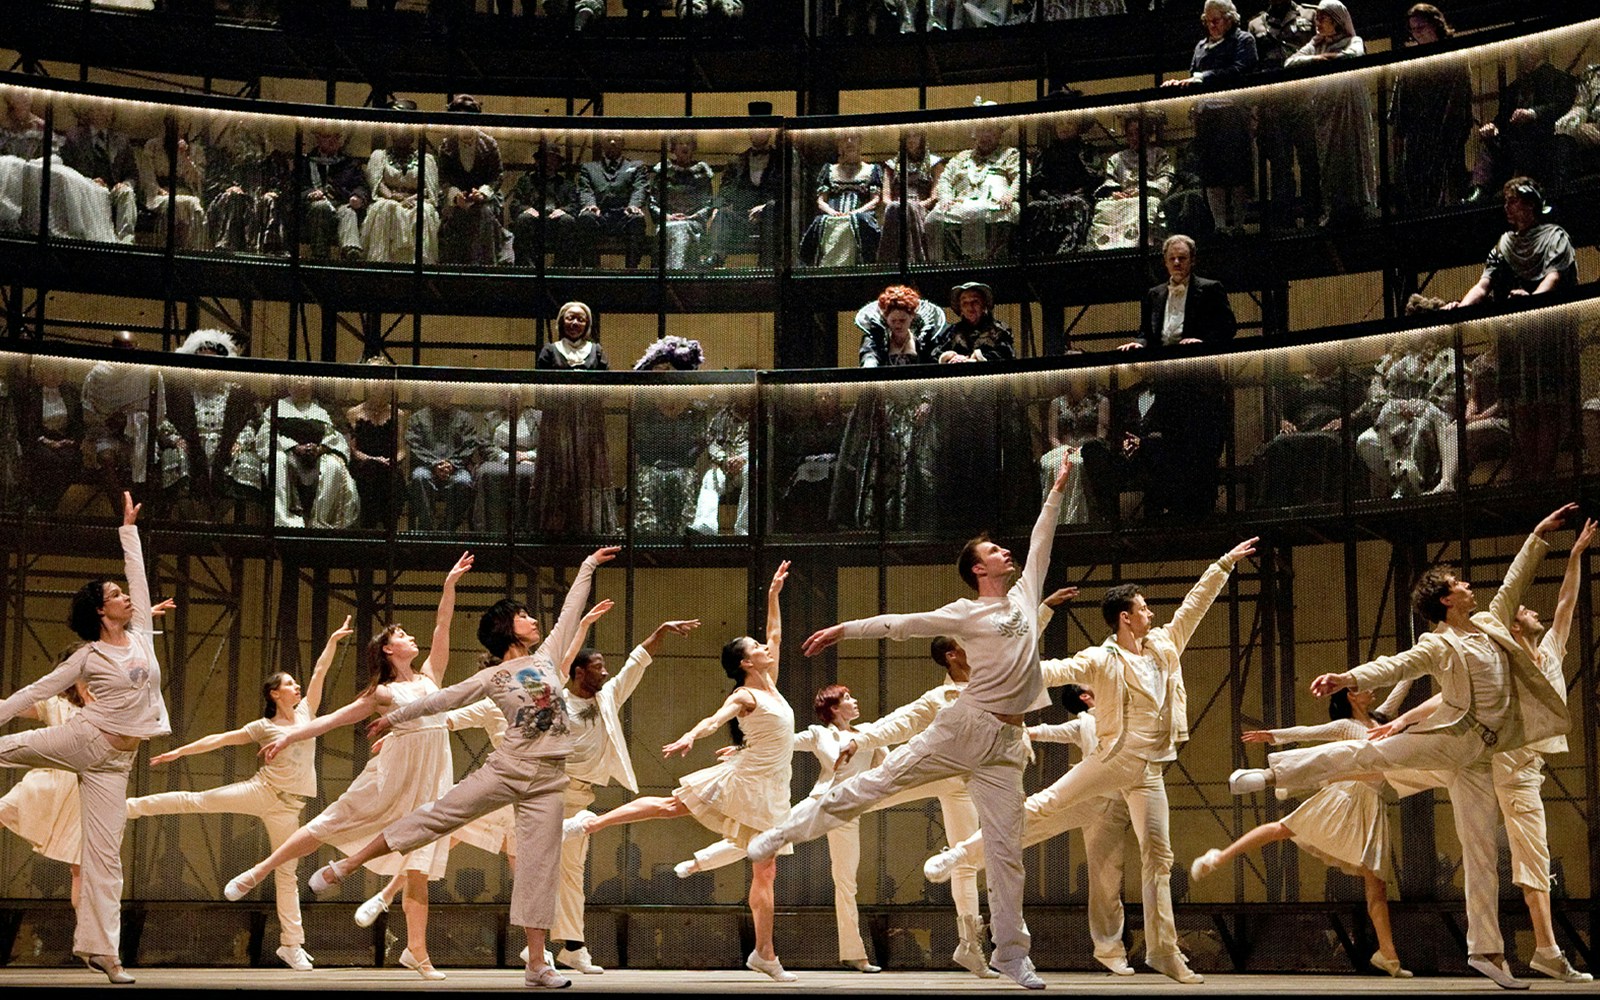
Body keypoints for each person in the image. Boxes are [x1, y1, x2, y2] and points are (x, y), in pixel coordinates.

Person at [745, 463, 1075, 990]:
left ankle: (1011, 955)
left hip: (1007, 744)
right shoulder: (967, 613)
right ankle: (777, 835)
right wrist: (843, 630)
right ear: (977, 570)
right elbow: (903, 624)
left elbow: (1042, 541)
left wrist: (1057, 490)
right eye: (993, 552)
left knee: (1006, 852)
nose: (1004, 553)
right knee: (874, 784)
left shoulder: (1025, 597)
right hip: (964, 727)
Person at [1225, 505, 1577, 990]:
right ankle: (1270, 775)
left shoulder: (1494, 624)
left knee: (1479, 851)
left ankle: (1487, 951)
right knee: (1364, 753)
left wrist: (1538, 533)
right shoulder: (1438, 644)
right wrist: (1346, 677)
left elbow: (1516, 579)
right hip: (1452, 739)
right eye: (1459, 583)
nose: (1470, 586)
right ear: (1446, 600)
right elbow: (1395, 666)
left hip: (1483, 754)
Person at [925, 538, 1258, 984]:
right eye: (1143, 609)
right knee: (1042, 805)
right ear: (1126, 617)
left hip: (1149, 769)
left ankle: (1164, 951)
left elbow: (1193, 608)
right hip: (1113, 759)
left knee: (1159, 857)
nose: (1151, 615)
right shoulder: (1102, 659)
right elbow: (1050, 670)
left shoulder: (1162, 648)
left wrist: (1224, 564)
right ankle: (960, 855)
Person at [311, 546, 618, 990]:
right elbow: (439, 700)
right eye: (525, 616)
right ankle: (348, 865)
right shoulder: (491, 677)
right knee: (437, 816)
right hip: (509, 768)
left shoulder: (548, 657)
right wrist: (392, 718)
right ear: (506, 628)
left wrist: (588, 566)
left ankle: (537, 963)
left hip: (550, 779)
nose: (534, 621)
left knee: (539, 867)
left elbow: (573, 608)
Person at [223, 552, 475, 981]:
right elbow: (331, 719)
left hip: (433, 775)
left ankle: (419, 953)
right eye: (402, 635)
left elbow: (442, 626)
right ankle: (258, 870)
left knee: (419, 865)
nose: (411, 638)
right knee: (333, 819)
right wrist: (289, 735)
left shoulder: (431, 676)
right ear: (388, 649)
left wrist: (449, 585)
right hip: (394, 773)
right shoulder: (383, 693)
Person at [1370, 517, 1596, 983]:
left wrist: (1574, 556)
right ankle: (1543, 951)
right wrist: (1401, 718)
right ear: (1513, 627)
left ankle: (1540, 950)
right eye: (1523, 614)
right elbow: (1450, 696)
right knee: (1523, 854)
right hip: (1502, 762)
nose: (1532, 614)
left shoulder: (1550, 652)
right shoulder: (1500, 657)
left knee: (1520, 854)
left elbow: (1566, 603)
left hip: (1518, 765)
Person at [563, 563, 800, 983]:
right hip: (745, 780)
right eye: (757, 647)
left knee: (766, 869)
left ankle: (763, 954)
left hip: (771, 787)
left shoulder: (771, 682)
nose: (766, 647)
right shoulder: (746, 693)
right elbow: (715, 718)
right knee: (674, 807)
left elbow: (776, 633)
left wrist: (773, 594)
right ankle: (593, 823)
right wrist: (691, 736)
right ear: (745, 662)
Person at [0, 492, 166, 984]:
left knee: (103, 859)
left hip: (116, 765)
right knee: (11, 748)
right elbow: (34, 689)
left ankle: (101, 952)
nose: (125, 597)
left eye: (121, 594)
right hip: (85, 739)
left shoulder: (140, 636)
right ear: (99, 609)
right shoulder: (87, 657)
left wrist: (129, 531)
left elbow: (138, 577)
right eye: (115, 595)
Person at [126, 618, 352, 972]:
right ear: (275, 694)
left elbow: (321, 670)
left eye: (296, 684)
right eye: (290, 684)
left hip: (290, 807)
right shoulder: (263, 727)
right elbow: (220, 739)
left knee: (285, 872)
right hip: (261, 790)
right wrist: (180, 752)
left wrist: (334, 641)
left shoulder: (308, 714)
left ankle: (291, 945)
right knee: (196, 800)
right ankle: (130, 808)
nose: (297, 688)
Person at [1188, 683, 1416, 978]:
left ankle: (1388, 955)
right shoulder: (1346, 726)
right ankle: (1218, 857)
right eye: (1362, 688)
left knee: (1377, 885)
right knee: (1284, 828)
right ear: (1350, 696)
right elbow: (1309, 732)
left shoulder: (1382, 720)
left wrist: (1418, 657)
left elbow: (1400, 690)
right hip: (1345, 797)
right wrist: (1275, 736)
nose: (1371, 690)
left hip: (1372, 805)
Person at [919, 675, 1137, 977]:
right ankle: (960, 853)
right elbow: (1049, 731)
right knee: (1028, 816)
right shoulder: (1086, 722)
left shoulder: (1124, 712)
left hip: (1114, 806)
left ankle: (1110, 951)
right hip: (1086, 793)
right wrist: (1021, 732)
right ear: (1086, 699)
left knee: (1108, 879)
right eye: (1092, 686)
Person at [552, 617, 701, 975]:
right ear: (577, 672)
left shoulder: (607, 698)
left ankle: (569, 947)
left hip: (578, 800)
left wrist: (660, 631)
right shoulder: (556, 700)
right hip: (546, 794)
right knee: (538, 870)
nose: (604, 671)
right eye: (597, 666)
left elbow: (636, 664)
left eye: (604, 666)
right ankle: (549, 946)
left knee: (569, 873)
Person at [1446, 177, 1577, 482]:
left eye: (1513, 200)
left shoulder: (1555, 236)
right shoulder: (1504, 244)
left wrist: (1533, 300)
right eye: (1505, 201)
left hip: (1546, 334)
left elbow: (1555, 276)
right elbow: (1484, 284)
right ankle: (1529, 473)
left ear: (1531, 203)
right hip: (1514, 340)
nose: (1507, 207)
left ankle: (1543, 474)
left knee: (1545, 405)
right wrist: (1460, 308)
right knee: (1519, 408)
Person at [0, 664, 89, 915]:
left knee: (80, 867)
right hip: (48, 782)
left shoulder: (104, 707)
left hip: (81, 789)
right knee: (2, 811)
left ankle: (88, 939)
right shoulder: (54, 703)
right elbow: (11, 706)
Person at [1164, 1, 1258, 233]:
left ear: (1229, 19)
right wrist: (1182, 84)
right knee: (1212, 172)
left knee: (1237, 172)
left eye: (1216, 20)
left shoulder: (1244, 40)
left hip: (1233, 112)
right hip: (1207, 115)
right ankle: (1219, 226)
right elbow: (1193, 76)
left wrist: (1204, 77)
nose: (1211, 25)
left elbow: (1241, 70)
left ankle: (1237, 225)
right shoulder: (1201, 46)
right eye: (1207, 21)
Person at [1285, 1, 1377, 228]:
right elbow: (1290, 63)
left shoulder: (1353, 41)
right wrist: (1318, 58)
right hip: (1325, 108)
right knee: (1329, 159)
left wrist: (1328, 57)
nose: (1317, 23)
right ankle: (1335, 208)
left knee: (1354, 154)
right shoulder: (1316, 45)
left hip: (1349, 107)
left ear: (1336, 21)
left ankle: (1361, 206)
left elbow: (1353, 55)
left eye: (1322, 18)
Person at [531, 301, 618, 535]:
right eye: (570, 318)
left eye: (580, 319)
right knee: (558, 470)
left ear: (587, 324)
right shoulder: (549, 351)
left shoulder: (596, 350)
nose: (575, 323)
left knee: (588, 469)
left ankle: (589, 527)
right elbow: (540, 389)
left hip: (589, 421)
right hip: (558, 420)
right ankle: (555, 528)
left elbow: (607, 386)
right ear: (561, 322)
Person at [163, 329, 259, 523]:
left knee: (247, 461)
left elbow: (252, 421)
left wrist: (240, 442)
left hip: (227, 447)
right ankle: (193, 524)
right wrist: (176, 440)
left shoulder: (238, 393)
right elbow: (164, 419)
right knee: (174, 458)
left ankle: (217, 522)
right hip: (191, 447)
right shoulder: (179, 392)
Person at [1389, 4, 1473, 212]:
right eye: (1413, 30)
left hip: (1445, 132)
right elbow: (1401, 97)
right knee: (1417, 189)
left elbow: (1459, 99)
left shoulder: (1454, 56)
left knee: (1446, 187)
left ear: (1436, 25)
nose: (1417, 34)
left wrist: (1451, 132)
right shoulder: (1412, 61)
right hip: (1418, 134)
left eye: (1421, 28)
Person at [1468, 42, 1577, 200]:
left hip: (1545, 139)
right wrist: (1494, 127)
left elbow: (1561, 106)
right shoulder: (1513, 88)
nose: (1525, 48)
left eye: (1531, 44)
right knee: (1489, 148)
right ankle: (1478, 191)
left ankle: (1556, 194)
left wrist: (1533, 113)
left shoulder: (1560, 79)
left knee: (1560, 145)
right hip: (1516, 143)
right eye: (1523, 45)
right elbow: (1502, 119)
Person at [253, 380, 361, 529]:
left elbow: (337, 436)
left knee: (333, 466)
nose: (301, 384)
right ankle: (283, 522)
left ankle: (321, 521)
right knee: (277, 461)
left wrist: (321, 448)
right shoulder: (277, 407)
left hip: (317, 456)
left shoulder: (324, 409)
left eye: (305, 381)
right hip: (287, 454)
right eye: (296, 381)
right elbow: (265, 435)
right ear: (289, 386)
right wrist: (294, 447)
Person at [1249, 0, 1318, 226]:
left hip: (1305, 98)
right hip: (1273, 103)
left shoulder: (1310, 14)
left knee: (1310, 161)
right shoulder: (1256, 24)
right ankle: (1285, 222)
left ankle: (1313, 217)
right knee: (1280, 166)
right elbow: (1253, 68)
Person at [630, 337, 707, 536]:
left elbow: (699, 442)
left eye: (672, 370)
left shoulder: (696, 408)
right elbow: (639, 441)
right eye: (662, 370)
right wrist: (658, 461)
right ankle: (650, 533)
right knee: (648, 478)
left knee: (685, 479)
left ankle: (683, 536)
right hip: (651, 464)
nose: (668, 375)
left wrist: (680, 462)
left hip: (684, 465)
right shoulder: (644, 407)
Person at [927, 106, 1020, 261]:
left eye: (991, 130)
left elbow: (1021, 175)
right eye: (982, 130)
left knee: (1010, 214)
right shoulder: (961, 157)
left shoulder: (1010, 154)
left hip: (996, 204)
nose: (986, 135)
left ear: (999, 134)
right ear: (975, 134)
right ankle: (945, 270)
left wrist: (1010, 194)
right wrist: (945, 197)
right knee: (935, 218)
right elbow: (945, 180)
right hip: (960, 205)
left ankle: (997, 266)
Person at [436, 94, 508, 266]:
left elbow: (497, 175)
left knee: (484, 214)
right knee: (453, 217)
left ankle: (485, 266)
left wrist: (483, 193)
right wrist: (454, 195)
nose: (463, 125)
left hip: (485, 199)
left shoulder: (489, 144)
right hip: (457, 199)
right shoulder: (447, 145)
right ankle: (451, 268)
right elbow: (443, 177)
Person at [704, 110, 781, 268]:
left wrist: (766, 207)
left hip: (772, 219)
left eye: (762, 128)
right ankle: (714, 259)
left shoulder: (782, 159)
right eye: (754, 129)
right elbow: (725, 189)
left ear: (769, 131)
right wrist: (716, 209)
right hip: (743, 217)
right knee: (723, 213)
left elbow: (789, 190)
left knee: (772, 210)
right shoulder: (737, 161)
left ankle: (767, 266)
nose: (757, 132)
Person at [1088, 113, 1173, 250]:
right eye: (1130, 134)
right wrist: (1115, 193)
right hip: (1122, 198)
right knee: (1104, 208)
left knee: (1149, 205)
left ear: (1147, 133)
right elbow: (1110, 180)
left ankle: (1140, 244)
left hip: (1149, 195)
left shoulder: (1159, 154)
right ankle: (1108, 247)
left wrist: (1144, 189)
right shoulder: (1116, 158)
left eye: (1138, 133)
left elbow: (1165, 179)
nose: (1134, 138)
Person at [58, 103, 139, 243]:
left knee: (127, 193)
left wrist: (125, 184)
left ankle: (126, 244)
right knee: (95, 192)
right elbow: (65, 170)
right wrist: (88, 182)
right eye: (100, 108)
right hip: (86, 189)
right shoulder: (74, 137)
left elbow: (132, 174)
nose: (104, 113)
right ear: (90, 111)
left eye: (108, 109)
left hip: (113, 190)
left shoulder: (121, 140)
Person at [799, 133, 882, 266]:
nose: (849, 142)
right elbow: (821, 201)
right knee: (821, 221)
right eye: (845, 139)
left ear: (860, 143)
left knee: (860, 221)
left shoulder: (872, 169)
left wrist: (855, 213)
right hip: (832, 214)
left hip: (862, 215)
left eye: (853, 138)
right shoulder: (829, 170)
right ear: (839, 145)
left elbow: (875, 200)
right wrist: (831, 212)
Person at [404, 393, 483, 532]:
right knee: (419, 477)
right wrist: (434, 464)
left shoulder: (464, 418)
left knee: (464, 481)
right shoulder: (418, 418)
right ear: (431, 395)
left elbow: (470, 445)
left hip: (457, 468)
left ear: (451, 394)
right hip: (426, 466)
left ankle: (447, 529)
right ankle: (427, 530)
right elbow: (415, 445)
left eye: (445, 393)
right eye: (438, 393)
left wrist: (452, 464)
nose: (442, 397)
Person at [362, 125, 440, 264]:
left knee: (424, 212)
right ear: (391, 135)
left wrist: (411, 198)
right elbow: (376, 182)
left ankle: (419, 263)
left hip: (416, 199)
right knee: (386, 208)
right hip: (388, 197)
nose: (402, 138)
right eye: (398, 135)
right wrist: (392, 196)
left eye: (406, 135)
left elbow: (429, 186)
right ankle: (382, 262)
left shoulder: (426, 159)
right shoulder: (380, 156)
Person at [1023, 117, 1097, 257]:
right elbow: (1036, 183)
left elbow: (1094, 179)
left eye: (1070, 122)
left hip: (1078, 197)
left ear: (1078, 126)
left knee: (1077, 206)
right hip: (1050, 198)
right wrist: (1048, 195)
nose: (1064, 127)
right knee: (1034, 208)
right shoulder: (1045, 153)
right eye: (1060, 123)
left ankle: (1073, 253)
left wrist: (1076, 194)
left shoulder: (1087, 150)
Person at [576, 132, 648, 270]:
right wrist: (590, 204)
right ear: (602, 144)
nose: (613, 142)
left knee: (637, 219)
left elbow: (640, 188)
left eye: (617, 139)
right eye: (609, 139)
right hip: (600, 215)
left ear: (623, 143)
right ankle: (591, 271)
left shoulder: (636, 166)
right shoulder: (589, 168)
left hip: (624, 215)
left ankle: (631, 271)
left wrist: (634, 205)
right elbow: (585, 189)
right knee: (586, 217)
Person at [298, 127, 368, 260]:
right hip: (313, 207)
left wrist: (358, 196)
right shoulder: (306, 162)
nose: (332, 141)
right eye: (327, 137)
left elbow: (361, 185)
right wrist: (310, 193)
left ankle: (351, 250)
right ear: (318, 139)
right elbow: (296, 187)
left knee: (348, 212)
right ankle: (320, 255)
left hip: (340, 203)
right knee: (320, 207)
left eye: (336, 137)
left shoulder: (349, 163)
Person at [648, 133, 714, 270]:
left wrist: (691, 217)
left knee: (683, 228)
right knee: (673, 229)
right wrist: (667, 216)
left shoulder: (702, 173)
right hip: (667, 222)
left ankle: (675, 276)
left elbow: (708, 204)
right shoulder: (663, 171)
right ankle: (672, 276)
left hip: (693, 223)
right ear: (674, 147)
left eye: (688, 143)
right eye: (680, 143)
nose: (684, 146)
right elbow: (653, 202)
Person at [877, 130, 943, 264]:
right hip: (895, 208)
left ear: (922, 138)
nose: (912, 140)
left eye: (915, 136)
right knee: (897, 208)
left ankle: (915, 262)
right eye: (908, 137)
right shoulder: (891, 164)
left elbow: (935, 197)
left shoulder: (935, 163)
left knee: (908, 208)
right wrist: (897, 204)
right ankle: (888, 265)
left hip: (923, 208)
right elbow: (885, 197)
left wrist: (915, 205)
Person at [507, 146, 579, 268]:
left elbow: (575, 206)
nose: (548, 163)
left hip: (556, 225)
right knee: (523, 219)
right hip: (533, 224)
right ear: (538, 161)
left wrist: (563, 211)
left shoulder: (567, 185)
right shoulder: (526, 181)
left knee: (568, 221)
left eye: (552, 160)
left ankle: (561, 269)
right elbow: (514, 205)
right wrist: (526, 209)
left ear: (558, 164)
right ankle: (527, 268)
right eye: (545, 159)